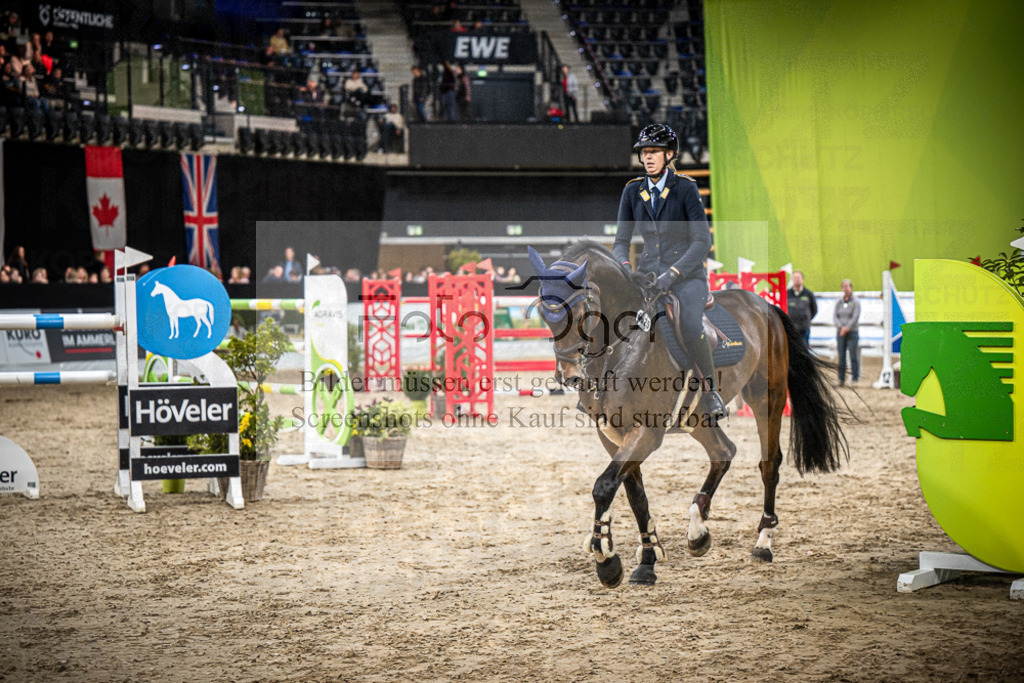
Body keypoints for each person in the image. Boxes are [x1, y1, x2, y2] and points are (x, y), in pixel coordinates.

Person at [613, 124, 726, 421]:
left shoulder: (686, 188)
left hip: (687, 277)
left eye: (654, 152)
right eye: (644, 152)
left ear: (669, 154)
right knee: (617, 321)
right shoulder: (632, 191)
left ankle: (710, 391)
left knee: (689, 324)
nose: (647, 157)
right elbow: (621, 242)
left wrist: (674, 272)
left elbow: (703, 241)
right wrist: (626, 269)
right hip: (648, 277)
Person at [833, 278, 860, 386]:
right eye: (843, 286)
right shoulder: (839, 302)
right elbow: (835, 316)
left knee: (853, 356)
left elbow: (855, 316)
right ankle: (841, 379)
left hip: (852, 332)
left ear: (851, 288)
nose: (845, 288)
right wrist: (841, 327)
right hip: (840, 333)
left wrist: (846, 328)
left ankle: (854, 379)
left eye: (847, 286)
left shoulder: (856, 302)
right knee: (841, 357)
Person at [786, 269, 818, 345]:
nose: (797, 279)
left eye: (799, 277)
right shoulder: (787, 294)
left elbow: (814, 309)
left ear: (802, 279)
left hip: (804, 328)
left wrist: (806, 319)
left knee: (804, 349)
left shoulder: (808, 294)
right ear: (792, 279)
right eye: (795, 278)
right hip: (791, 329)